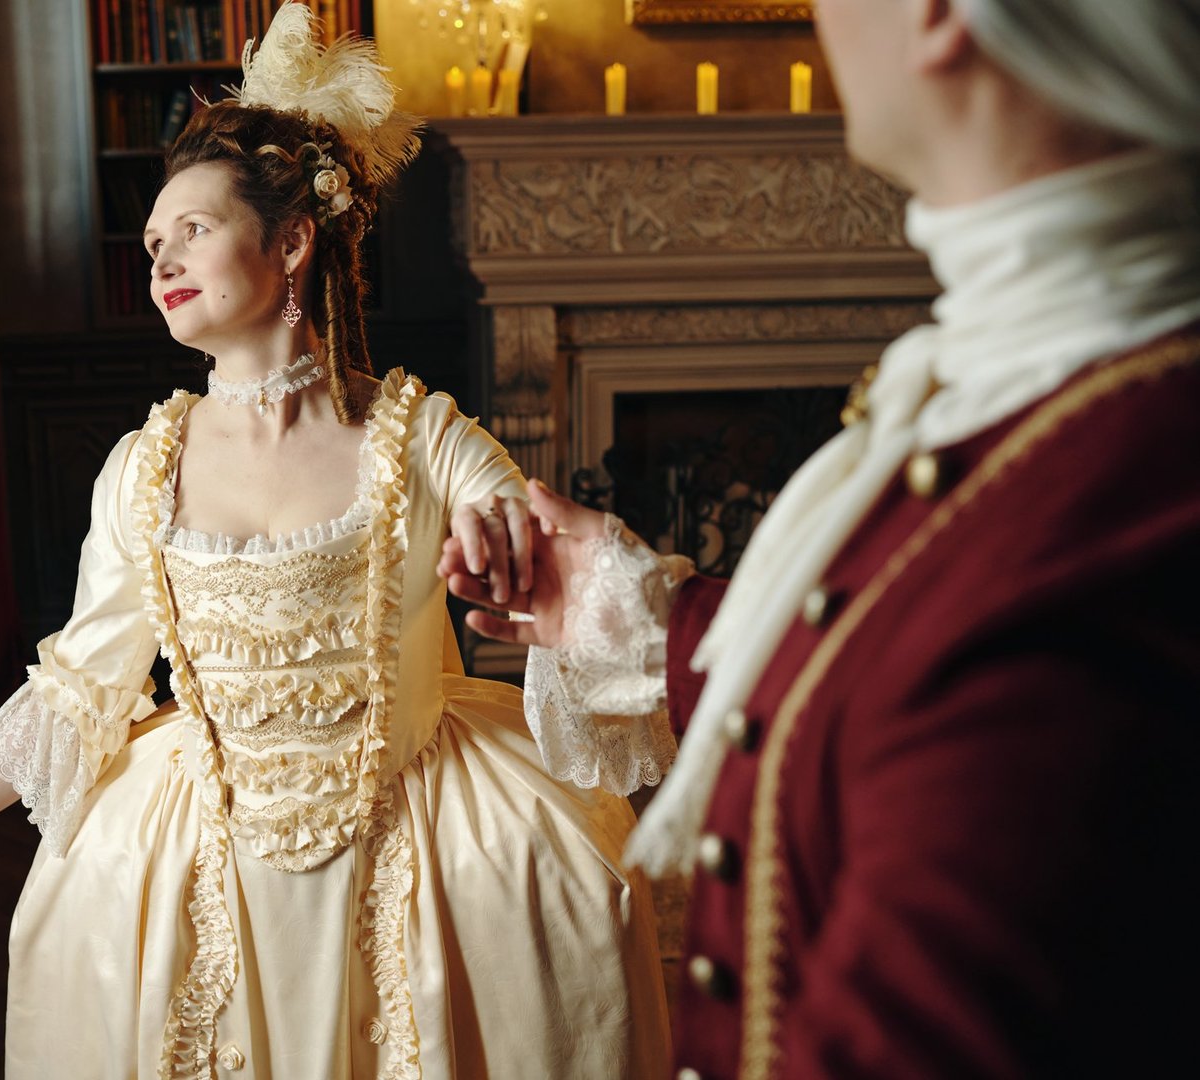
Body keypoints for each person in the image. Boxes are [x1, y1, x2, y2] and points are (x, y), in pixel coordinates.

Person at [0, 6, 670, 1077]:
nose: (159, 255)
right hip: (202, 851)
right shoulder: (143, 469)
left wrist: (517, 551)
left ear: (291, 240)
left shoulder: (420, 437)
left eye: (190, 228)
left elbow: (551, 559)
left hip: (417, 833)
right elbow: (74, 693)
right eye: (150, 242)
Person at [445, 0, 1200, 1076]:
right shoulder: (1045, 383)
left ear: (943, 17)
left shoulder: (1117, 485)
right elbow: (891, 669)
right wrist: (636, 614)